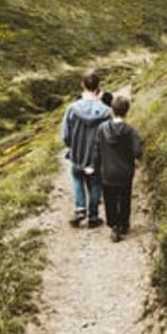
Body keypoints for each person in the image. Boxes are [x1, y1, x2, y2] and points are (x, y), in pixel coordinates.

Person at [61, 69, 112, 228]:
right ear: (98, 87)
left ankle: (80, 208)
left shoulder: (72, 108)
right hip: (96, 155)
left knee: (77, 178)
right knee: (96, 184)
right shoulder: (106, 111)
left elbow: (65, 135)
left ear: (82, 85)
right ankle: (93, 217)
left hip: (78, 152)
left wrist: (72, 146)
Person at [93, 95, 142, 242]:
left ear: (111, 110)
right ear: (127, 111)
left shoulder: (102, 129)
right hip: (125, 172)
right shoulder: (131, 131)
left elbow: (97, 151)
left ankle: (114, 226)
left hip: (107, 171)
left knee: (110, 199)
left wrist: (96, 169)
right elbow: (137, 152)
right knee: (125, 198)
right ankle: (124, 224)